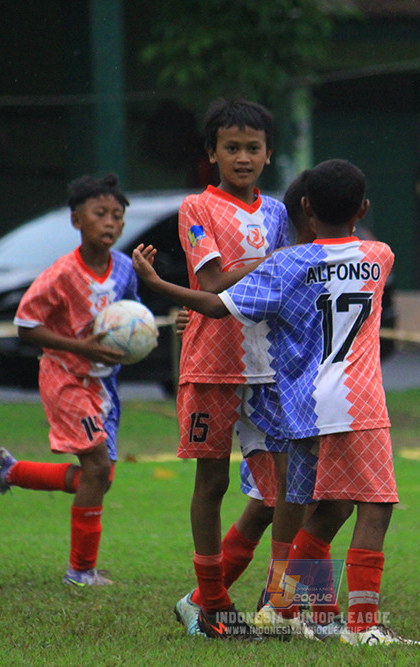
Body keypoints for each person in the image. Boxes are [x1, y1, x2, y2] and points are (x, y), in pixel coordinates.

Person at [133, 158, 418, 645]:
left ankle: (287, 607)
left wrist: (159, 285)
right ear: (364, 208)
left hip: (299, 406)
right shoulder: (381, 255)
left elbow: (216, 302)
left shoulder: (286, 265)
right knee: (374, 508)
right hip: (357, 401)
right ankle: (363, 626)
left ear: (304, 208)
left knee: (316, 507)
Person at [168, 98, 293, 639]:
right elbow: (214, 281)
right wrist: (277, 268)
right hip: (214, 366)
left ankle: (279, 600)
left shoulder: (279, 213)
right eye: (231, 147)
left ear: (268, 154)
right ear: (212, 153)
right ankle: (215, 604)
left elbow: (285, 288)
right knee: (213, 480)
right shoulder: (197, 208)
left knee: (283, 490)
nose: (242, 157)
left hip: (269, 369)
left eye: (253, 148)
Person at [0, 173, 138, 587]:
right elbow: (25, 325)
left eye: (117, 216)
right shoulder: (61, 274)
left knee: (98, 478)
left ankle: (9, 472)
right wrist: (84, 348)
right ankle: (80, 571)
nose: (110, 223)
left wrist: (142, 336)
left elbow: (131, 317)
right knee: (97, 468)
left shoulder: (123, 269)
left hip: (103, 384)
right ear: (76, 220)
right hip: (66, 378)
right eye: (99, 214)